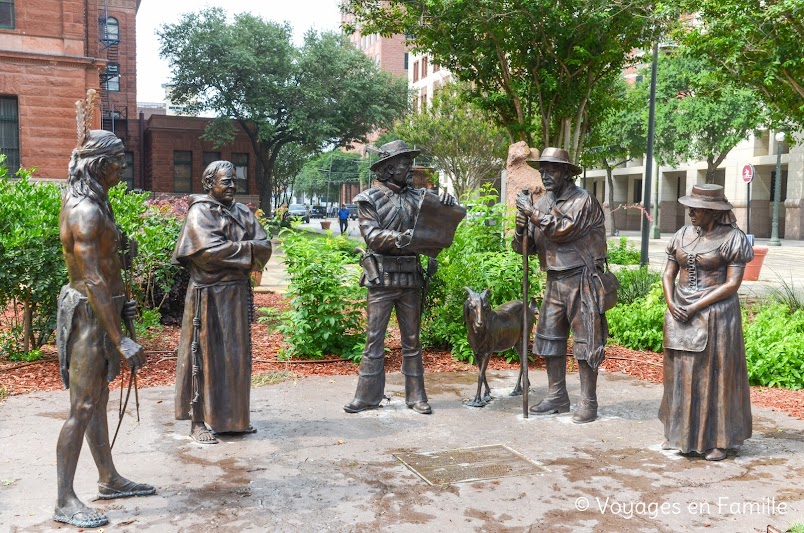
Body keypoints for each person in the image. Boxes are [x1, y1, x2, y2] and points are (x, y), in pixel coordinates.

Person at [55, 124, 155, 528]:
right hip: (88, 315)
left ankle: (108, 479)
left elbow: (107, 268)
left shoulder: (96, 201)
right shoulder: (86, 210)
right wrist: (121, 339)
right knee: (81, 406)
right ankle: (64, 500)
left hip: (104, 308)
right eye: (118, 163)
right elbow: (92, 277)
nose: (122, 170)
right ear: (99, 165)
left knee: (96, 400)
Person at [344, 140, 456, 415]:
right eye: (405, 163)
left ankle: (416, 396)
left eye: (409, 163)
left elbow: (437, 227)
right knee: (374, 340)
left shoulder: (421, 198)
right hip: (380, 279)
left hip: (410, 279)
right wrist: (404, 238)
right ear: (389, 168)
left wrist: (446, 205)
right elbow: (372, 236)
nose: (410, 168)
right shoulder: (369, 199)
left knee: (412, 340)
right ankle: (367, 396)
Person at [173, 161, 273, 444]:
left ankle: (232, 419)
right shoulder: (200, 212)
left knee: (235, 357)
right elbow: (207, 254)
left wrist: (236, 253)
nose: (232, 186)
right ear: (209, 184)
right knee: (203, 357)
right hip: (208, 295)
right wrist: (247, 251)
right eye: (226, 181)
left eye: (234, 181)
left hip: (236, 294)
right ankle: (198, 422)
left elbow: (265, 247)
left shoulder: (242, 211)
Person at [513, 147, 610, 424]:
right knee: (549, 339)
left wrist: (531, 214)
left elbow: (561, 230)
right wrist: (521, 228)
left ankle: (588, 401)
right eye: (542, 170)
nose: (545, 175)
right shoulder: (542, 203)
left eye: (551, 169)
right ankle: (557, 395)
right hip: (554, 279)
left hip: (582, 278)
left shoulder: (583, 201)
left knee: (587, 342)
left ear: (567, 173)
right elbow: (524, 248)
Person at [659, 184, 753, 461]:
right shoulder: (681, 234)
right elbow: (668, 273)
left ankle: (718, 440)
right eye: (690, 207)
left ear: (713, 211)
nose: (691, 212)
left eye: (697, 209)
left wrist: (697, 305)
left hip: (717, 314)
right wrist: (672, 302)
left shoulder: (733, 238)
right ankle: (678, 433)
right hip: (680, 312)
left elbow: (732, 284)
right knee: (679, 373)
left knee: (715, 375)